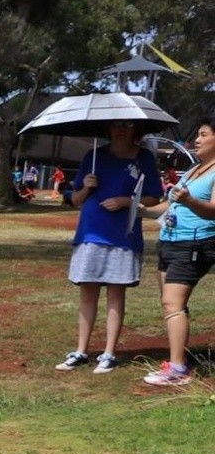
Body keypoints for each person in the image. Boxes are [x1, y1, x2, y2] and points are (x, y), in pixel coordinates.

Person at [56, 121, 164, 375]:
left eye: (127, 125)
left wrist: (126, 201)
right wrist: (87, 186)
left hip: (122, 234)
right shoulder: (93, 156)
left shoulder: (144, 158)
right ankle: (81, 351)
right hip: (90, 232)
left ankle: (109, 353)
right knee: (87, 291)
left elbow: (153, 198)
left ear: (135, 130)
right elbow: (75, 200)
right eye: (116, 126)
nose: (121, 130)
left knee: (116, 292)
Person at [147, 113, 215, 386]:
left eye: (203, 135)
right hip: (171, 241)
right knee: (172, 303)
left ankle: (178, 369)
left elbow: (213, 211)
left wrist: (188, 200)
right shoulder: (192, 170)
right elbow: (171, 205)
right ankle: (178, 359)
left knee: (172, 303)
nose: (196, 140)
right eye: (197, 135)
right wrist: (142, 210)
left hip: (195, 243)